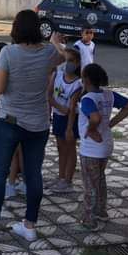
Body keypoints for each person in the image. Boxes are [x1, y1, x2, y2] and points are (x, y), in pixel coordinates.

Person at [0, 10, 66, 244]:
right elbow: (63, 57)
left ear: (16, 28)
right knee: (33, 173)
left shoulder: (8, 53)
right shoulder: (48, 52)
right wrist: (56, 43)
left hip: (9, 120)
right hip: (38, 122)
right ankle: (29, 225)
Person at [78, 63, 128, 230]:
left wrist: (91, 129)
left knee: (89, 184)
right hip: (106, 144)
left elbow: (94, 117)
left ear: (87, 79)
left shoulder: (88, 99)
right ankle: (101, 211)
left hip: (91, 148)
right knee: (100, 180)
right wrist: (111, 123)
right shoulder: (109, 95)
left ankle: (89, 219)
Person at [48, 48, 83, 193]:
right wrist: (59, 108)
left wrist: (69, 128)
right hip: (58, 116)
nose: (68, 64)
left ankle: (68, 180)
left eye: (71, 61)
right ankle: (61, 176)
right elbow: (49, 95)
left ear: (77, 63)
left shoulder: (78, 83)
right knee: (60, 148)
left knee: (70, 148)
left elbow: (72, 107)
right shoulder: (57, 75)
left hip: (71, 119)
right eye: (66, 60)